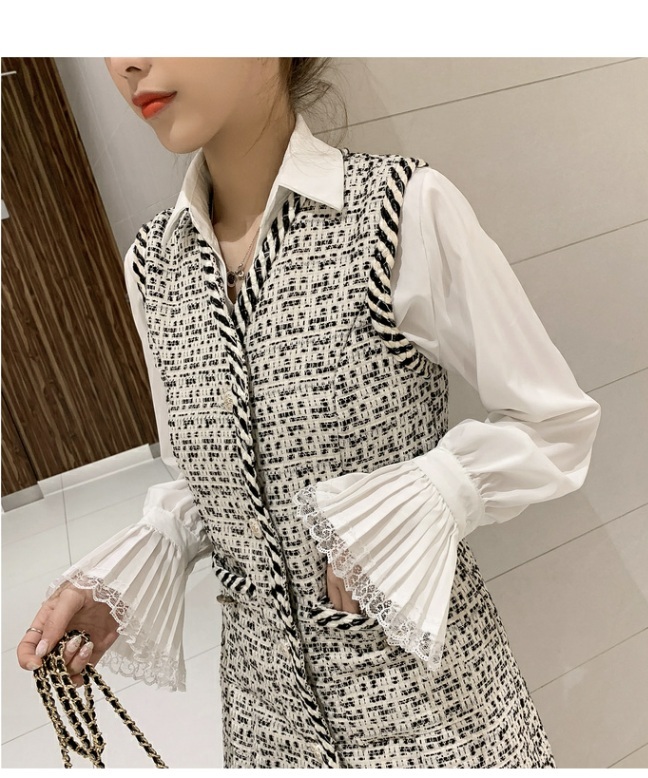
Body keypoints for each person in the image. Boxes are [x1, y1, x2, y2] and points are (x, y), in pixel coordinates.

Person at [17, 57, 601, 768]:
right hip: (264, 718)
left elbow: (554, 424)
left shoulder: (400, 209)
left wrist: (423, 498)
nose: (124, 60)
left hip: (432, 707)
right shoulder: (154, 265)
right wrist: (133, 571)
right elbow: (210, 480)